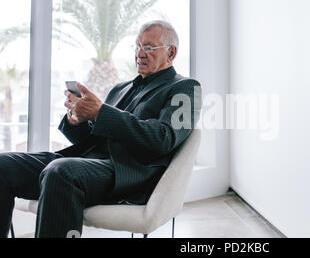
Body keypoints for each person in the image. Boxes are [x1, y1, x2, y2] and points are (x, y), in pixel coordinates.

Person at [0, 20, 202, 238]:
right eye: (137, 47)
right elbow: (94, 139)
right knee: (3, 165)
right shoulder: (120, 88)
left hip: (127, 173)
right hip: (90, 163)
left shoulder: (185, 88)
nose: (140, 54)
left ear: (171, 53)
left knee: (61, 171)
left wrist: (100, 113)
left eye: (149, 47)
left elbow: (163, 139)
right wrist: (78, 120)